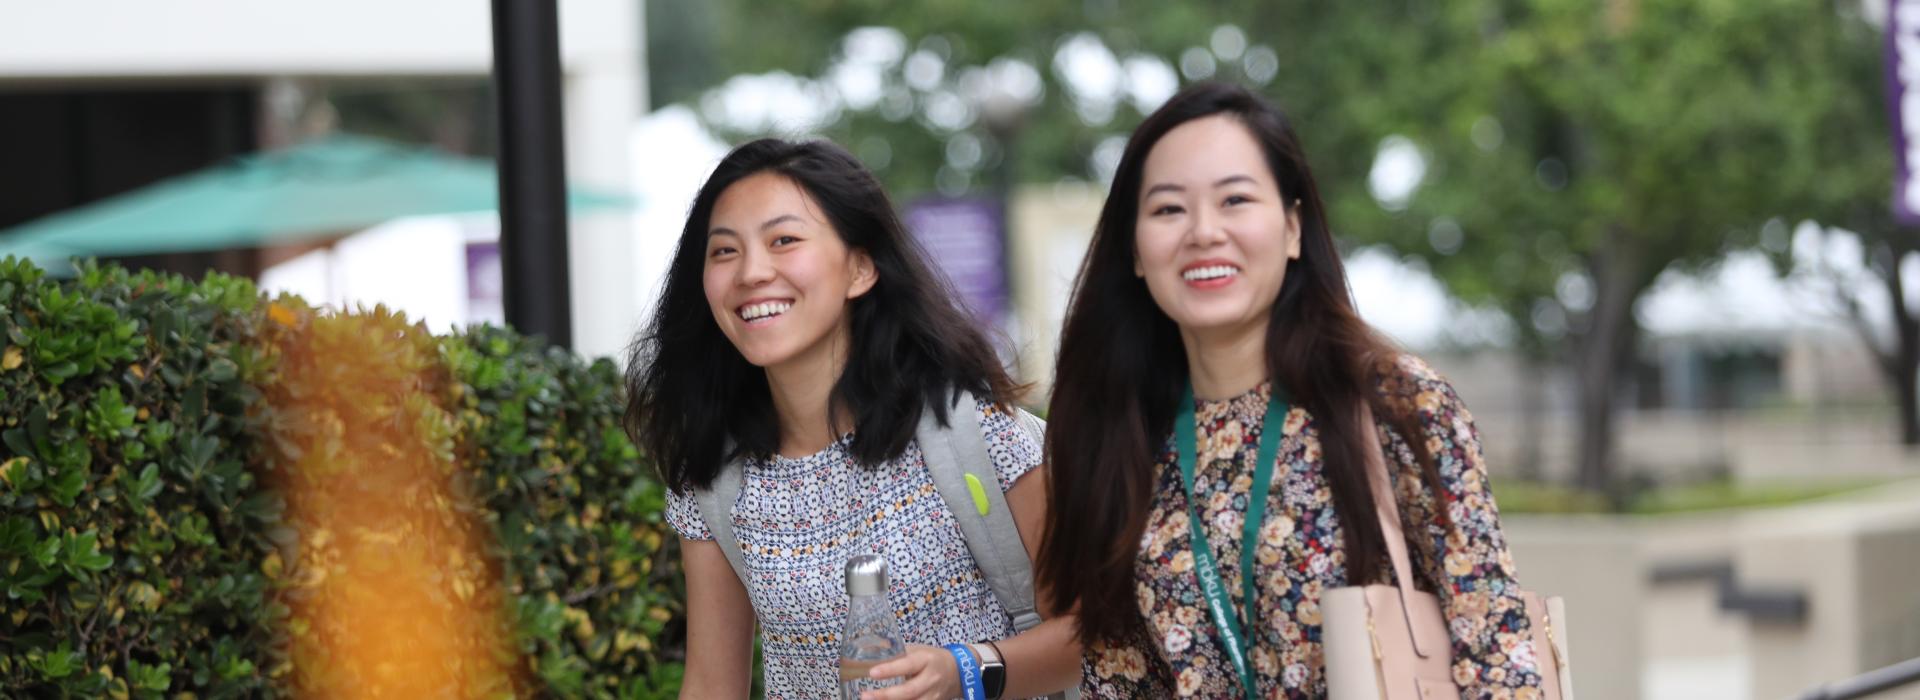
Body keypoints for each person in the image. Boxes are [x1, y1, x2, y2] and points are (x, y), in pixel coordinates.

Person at [1035, 82, 1545, 698]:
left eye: (1235, 200)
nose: (1203, 232)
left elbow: (1498, 647)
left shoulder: (1393, 402)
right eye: (1169, 209)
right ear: (1137, 252)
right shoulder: (1122, 438)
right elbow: (1118, 676)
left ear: (1293, 228)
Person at [626, 137, 1081, 699]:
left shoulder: (973, 430)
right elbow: (712, 685)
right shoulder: (715, 477)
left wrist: (964, 672)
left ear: (861, 268)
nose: (751, 272)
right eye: (724, 251)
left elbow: (1090, 634)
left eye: (784, 240)